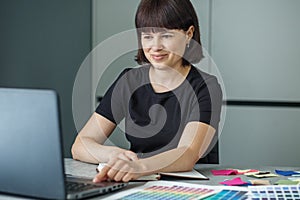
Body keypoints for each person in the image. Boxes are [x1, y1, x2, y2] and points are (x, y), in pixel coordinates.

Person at [71, 0, 222, 183]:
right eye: (147, 36)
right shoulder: (128, 81)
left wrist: (139, 167)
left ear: (188, 34)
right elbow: (80, 145)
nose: (155, 46)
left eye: (166, 35)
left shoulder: (205, 86)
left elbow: (188, 153)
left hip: (191, 187)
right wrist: (118, 156)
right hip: (139, 184)